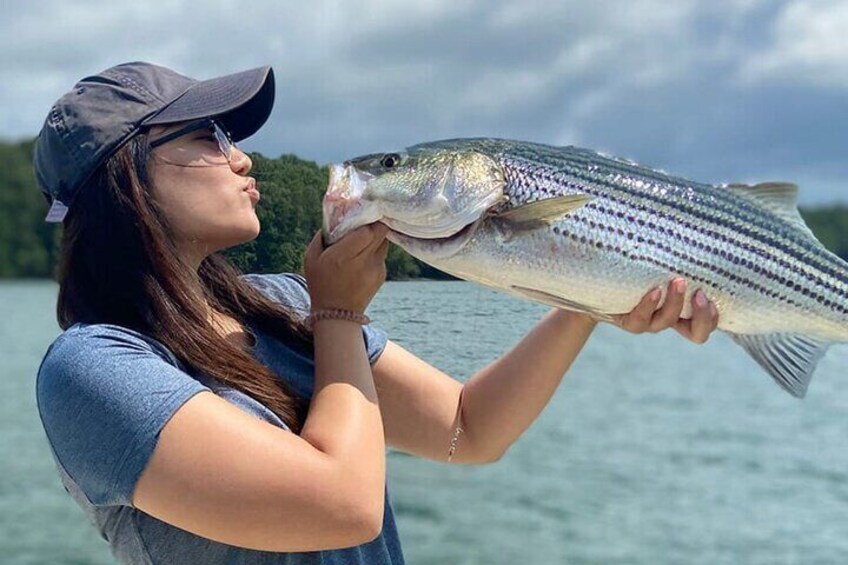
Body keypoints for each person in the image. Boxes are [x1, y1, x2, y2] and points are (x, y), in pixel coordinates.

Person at [33, 62, 720, 565]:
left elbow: (468, 427)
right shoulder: (92, 369)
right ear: (124, 176)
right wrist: (338, 311)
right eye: (207, 136)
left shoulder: (283, 304)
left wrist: (592, 298)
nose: (241, 157)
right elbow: (342, 505)